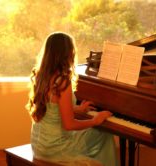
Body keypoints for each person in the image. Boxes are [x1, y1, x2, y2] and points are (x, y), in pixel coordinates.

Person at [26, 32, 118, 166]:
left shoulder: (41, 76)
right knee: (104, 133)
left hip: (39, 146)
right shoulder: (62, 81)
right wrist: (95, 120)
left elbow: (52, 109)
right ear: (67, 53)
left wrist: (76, 109)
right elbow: (69, 125)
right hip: (56, 149)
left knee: (100, 134)